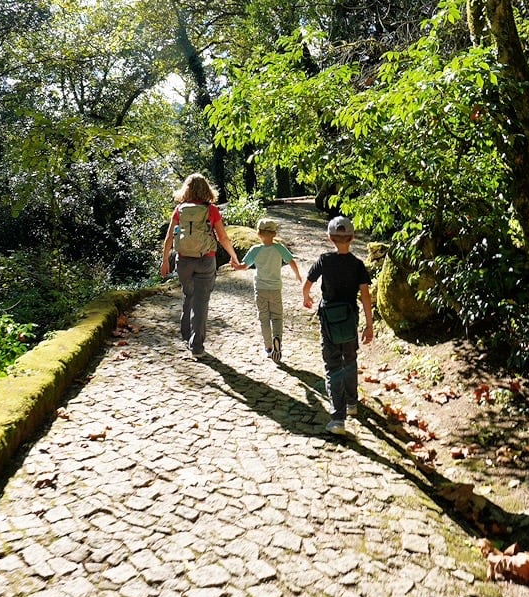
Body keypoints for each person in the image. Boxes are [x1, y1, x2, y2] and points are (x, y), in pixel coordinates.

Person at [301, 215, 375, 435]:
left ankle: (337, 419)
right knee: (350, 360)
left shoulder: (324, 260)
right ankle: (352, 403)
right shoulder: (358, 265)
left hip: (329, 321)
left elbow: (307, 284)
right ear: (352, 238)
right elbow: (365, 296)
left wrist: (306, 297)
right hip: (350, 319)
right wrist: (369, 325)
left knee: (333, 366)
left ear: (329, 238)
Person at [159, 173, 241, 358]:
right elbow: (222, 237)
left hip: (184, 261)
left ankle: (186, 334)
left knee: (189, 294)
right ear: (207, 189)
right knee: (201, 302)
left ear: (186, 190)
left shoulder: (179, 209)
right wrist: (233, 256)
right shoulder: (211, 210)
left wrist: (165, 260)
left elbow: (169, 237)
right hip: (205, 259)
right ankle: (196, 345)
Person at [234, 216, 301, 363]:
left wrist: (235, 265)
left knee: (264, 318)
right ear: (275, 234)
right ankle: (278, 339)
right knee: (277, 317)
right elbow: (291, 261)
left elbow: (243, 266)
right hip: (275, 288)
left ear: (258, 233)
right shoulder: (279, 248)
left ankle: (269, 348)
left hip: (260, 288)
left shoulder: (255, 250)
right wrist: (297, 275)